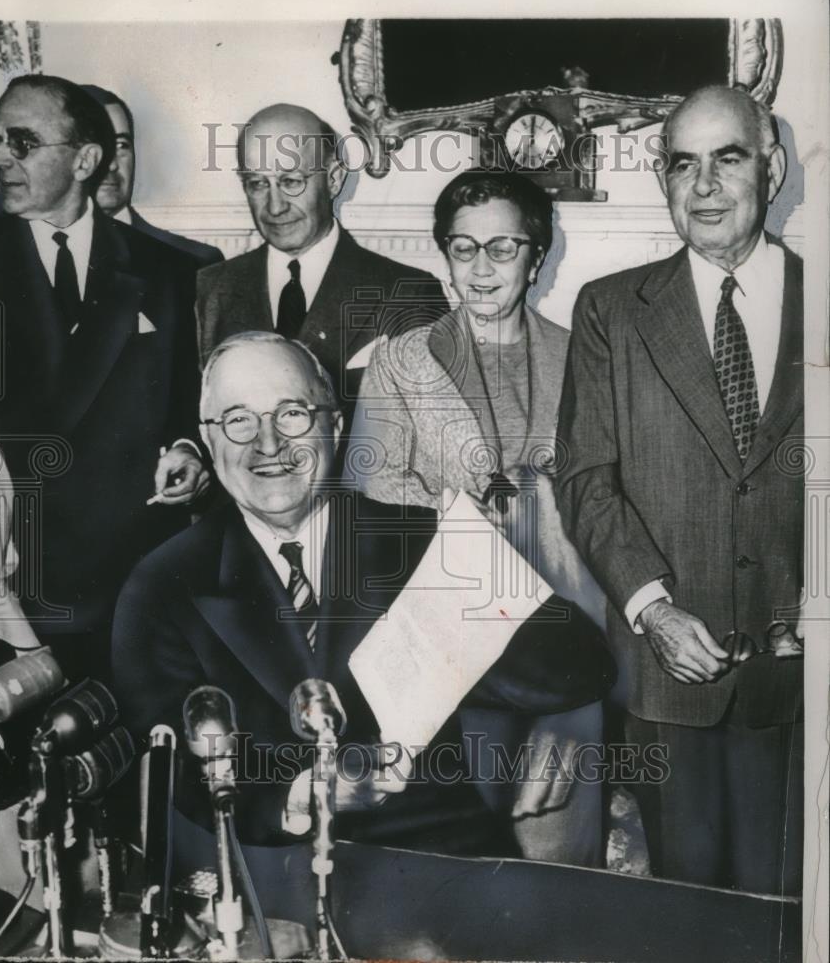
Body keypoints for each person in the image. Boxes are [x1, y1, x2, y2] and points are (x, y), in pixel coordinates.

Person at [111, 332, 614, 869]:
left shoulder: (419, 539)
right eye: (238, 420)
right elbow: (169, 772)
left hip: (433, 858)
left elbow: (579, 664)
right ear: (209, 444)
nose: (268, 444)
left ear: (336, 425)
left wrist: (553, 713)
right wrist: (301, 796)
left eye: (293, 414)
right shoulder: (161, 583)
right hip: (262, 867)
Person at [556, 85, 803, 895]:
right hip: (670, 682)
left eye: (726, 159)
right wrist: (651, 608)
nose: (703, 186)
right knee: (688, 916)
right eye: (681, 165)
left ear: (771, 165)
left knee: (798, 913)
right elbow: (587, 480)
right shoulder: (610, 312)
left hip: (806, 683)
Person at [344, 168, 611, 867]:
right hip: (447, 666)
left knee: (558, 872)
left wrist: (571, 704)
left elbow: (602, 519)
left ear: (537, 253)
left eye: (502, 247)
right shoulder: (402, 364)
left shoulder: (585, 358)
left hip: (567, 649)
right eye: (463, 249)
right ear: (444, 255)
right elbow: (376, 524)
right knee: (460, 874)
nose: (482, 269)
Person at [0, 74, 208, 685]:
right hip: (21, 590)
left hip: (141, 578)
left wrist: (190, 451)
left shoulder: (173, 270)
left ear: (85, 160)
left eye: (22, 141)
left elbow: (190, 404)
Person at [194, 104, 449, 428]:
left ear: (334, 179)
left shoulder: (407, 293)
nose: (275, 207)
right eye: (258, 184)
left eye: (291, 181)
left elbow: (431, 434)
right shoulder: (213, 288)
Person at [80, 84, 225, 267]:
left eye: (121, 145)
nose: (112, 164)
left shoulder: (194, 261)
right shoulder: (36, 257)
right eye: (98, 145)